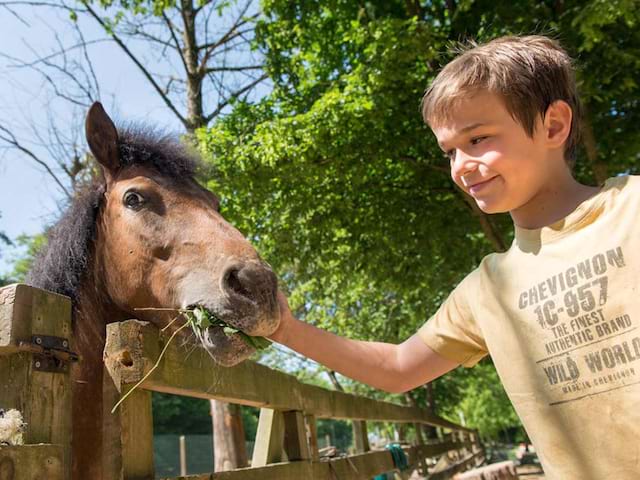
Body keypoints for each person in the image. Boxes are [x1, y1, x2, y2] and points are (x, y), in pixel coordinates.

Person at [268, 35, 639, 479]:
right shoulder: (486, 290)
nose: (460, 165)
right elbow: (398, 368)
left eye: (478, 138)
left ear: (553, 126)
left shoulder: (631, 210)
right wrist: (281, 327)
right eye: (450, 151)